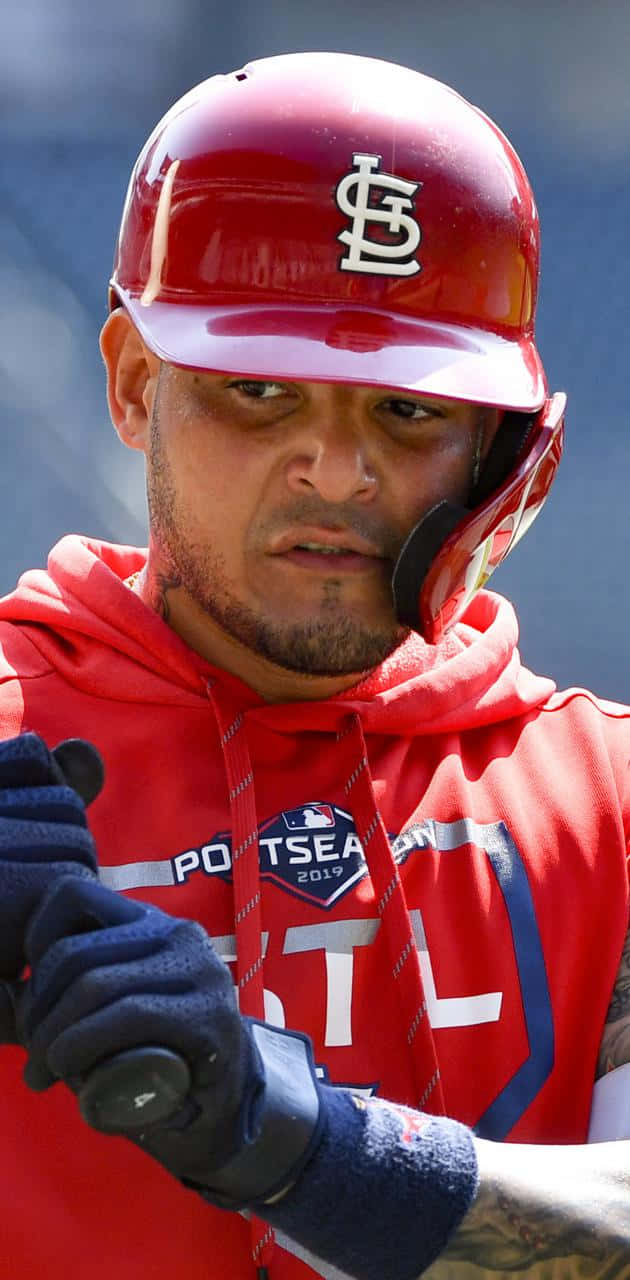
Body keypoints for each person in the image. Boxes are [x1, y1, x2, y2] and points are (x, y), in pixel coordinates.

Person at [0, 50, 629, 1280]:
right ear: (135, 383)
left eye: (405, 411)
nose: (335, 471)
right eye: (258, 390)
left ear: (501, 450)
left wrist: (281, 1135)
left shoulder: (610, 801)